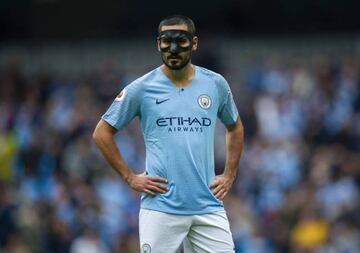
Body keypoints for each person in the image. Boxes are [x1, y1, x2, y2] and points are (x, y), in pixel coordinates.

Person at [93, 14, 244, 253]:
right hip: (161, 207)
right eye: (166, 41)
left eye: (181, 41)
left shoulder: (215, 84)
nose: (173, 49)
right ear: (158, 43)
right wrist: (129, 177)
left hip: (208, 206)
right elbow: (102, 133)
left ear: (194, 44)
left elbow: (235, 126)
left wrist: (229, 175)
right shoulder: (142, 88)